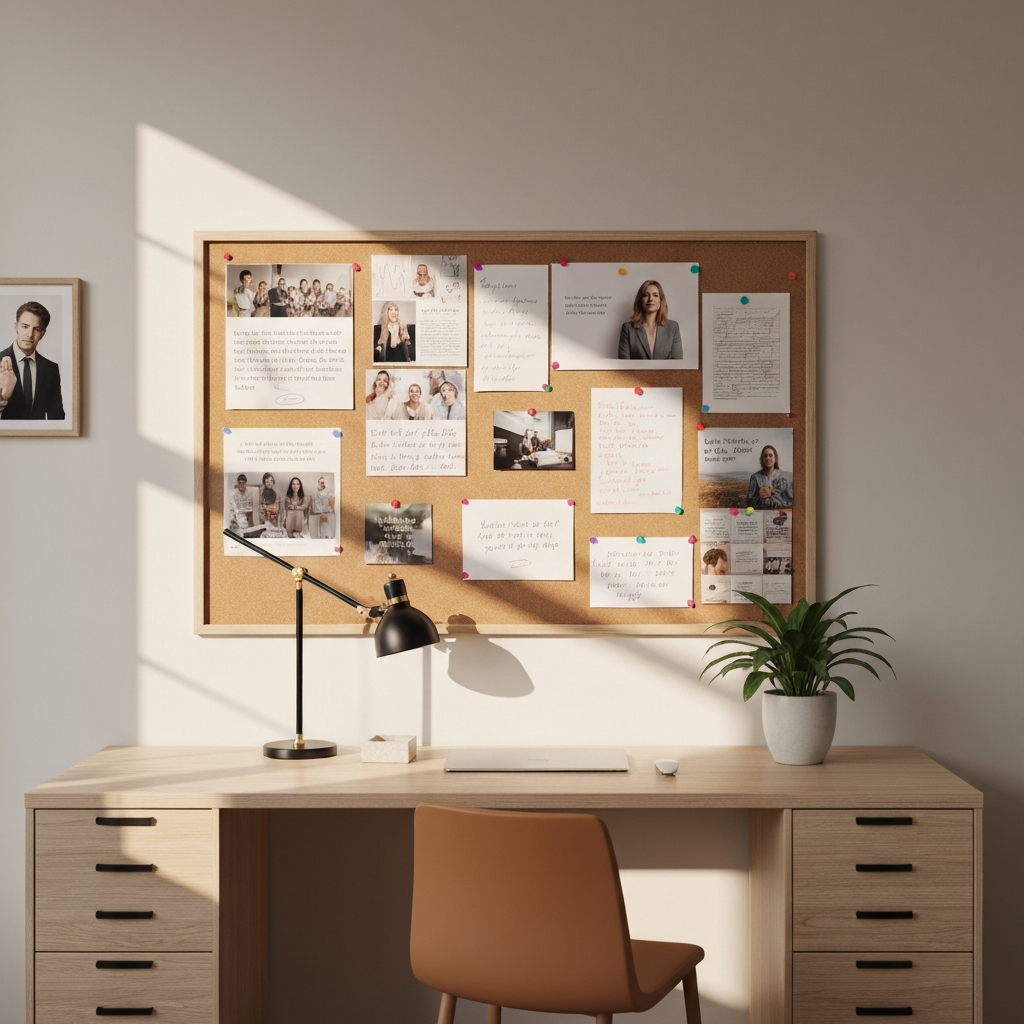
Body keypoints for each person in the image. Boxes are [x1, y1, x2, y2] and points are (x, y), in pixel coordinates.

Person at [0, 301, 65, 420]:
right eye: (25, 326)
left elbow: (57, 416)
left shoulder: (50, 369)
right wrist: (3, 398)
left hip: (39, 433)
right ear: (16, 326)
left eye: (37, 329)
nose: (29, 334)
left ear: (43, 333)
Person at [618, 279, 682, 359]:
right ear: (640, 300)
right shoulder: (628, 328)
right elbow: (623, 363)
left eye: (655, 295)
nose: (650, 299)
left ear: (661, 300)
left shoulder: (673, 327)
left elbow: (678, 362)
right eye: (645, 295)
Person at [746, 445, 794, 509]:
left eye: (770, 455)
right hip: (761, 513)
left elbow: (791, 501)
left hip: (780, 512)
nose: (768, 458)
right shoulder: (755, 477)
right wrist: (758, 495)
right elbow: (748, 502)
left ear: (775, 458)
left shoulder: (785, 476)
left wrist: (773, 492)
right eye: (765, 456)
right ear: (762, 459)